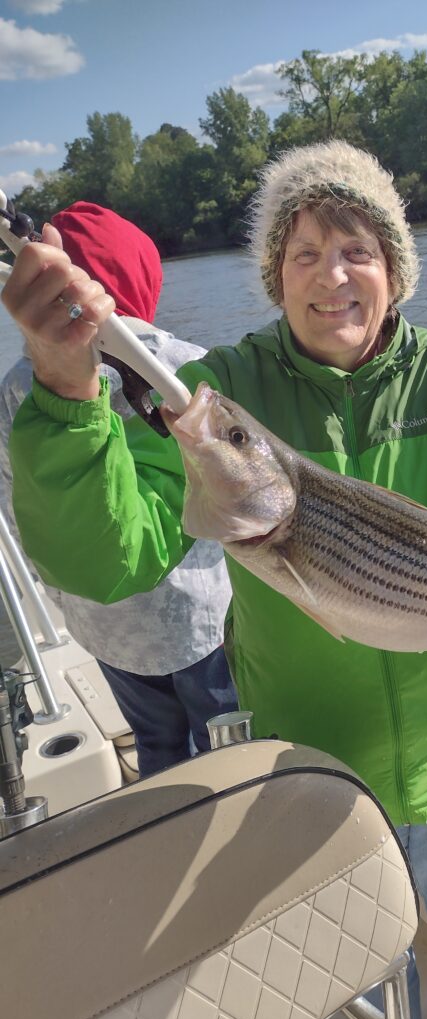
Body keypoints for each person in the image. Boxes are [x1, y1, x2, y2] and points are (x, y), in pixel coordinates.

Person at [3, 144, 427, 1019]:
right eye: (304, 253)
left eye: (358, 250)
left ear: (395, 270)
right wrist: (64, 385)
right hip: (312, 763)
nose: (333, 276)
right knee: (352, 981)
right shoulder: (221, 391)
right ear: (275, 278)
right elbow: (106, 559)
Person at [0, 201, 238, 777]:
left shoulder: (18, 388)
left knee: (157, 743)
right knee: (229, 746)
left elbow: (18, 498)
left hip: (104, 626)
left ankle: (162, 814)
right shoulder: (185, 367)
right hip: (200, 621)